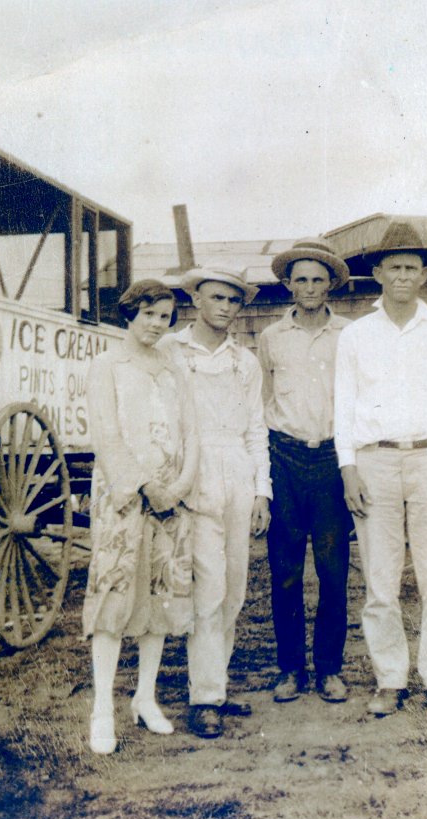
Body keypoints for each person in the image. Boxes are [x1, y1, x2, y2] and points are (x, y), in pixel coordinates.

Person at [334, 222, 427, 718]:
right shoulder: (355, 335)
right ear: (377, 272)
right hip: (375, 462)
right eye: (394, 267)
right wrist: (348, 467)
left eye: (412, 268)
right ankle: (390, 679)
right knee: (380, 581)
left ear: (424, 275)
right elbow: (343, 408)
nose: (403, 276)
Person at [83, 280, 199, 754]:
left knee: (161, 597)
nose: (156, 324)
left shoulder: (175, 368)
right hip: (123, 497)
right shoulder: (107, 365)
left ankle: (146, 697)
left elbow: (192, 434)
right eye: (149, 314)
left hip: (171, 499)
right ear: (129, 313)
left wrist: (178, 486)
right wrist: (143, 485)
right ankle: (102, 710)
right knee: (114, 595)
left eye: (165, 317)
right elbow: (106, 432)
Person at [162, 266, 271, 739]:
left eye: (233, 300)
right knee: (205, 591)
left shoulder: (243, 362)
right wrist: (173, 481)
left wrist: (261, 491)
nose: (225, 307)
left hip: (237, 474)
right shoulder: (170, 352)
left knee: (233, 588)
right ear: (196, 299)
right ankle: (203, 698)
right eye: (216, 298)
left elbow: (256, 430)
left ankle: (216, 685)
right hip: (193, 471)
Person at [258, 238, 353, 703]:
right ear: (288, 285)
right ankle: (290, 669)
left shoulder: (350, 335)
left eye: (319, 279)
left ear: (331, 284)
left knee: (334, 572)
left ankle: (330, 670)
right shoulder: (272, 338)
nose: (310, 287)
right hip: (286, 459)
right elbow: (262, 402)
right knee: (286, 572)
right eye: (301, 279)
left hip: (333, 460)